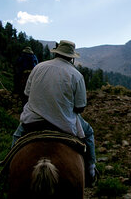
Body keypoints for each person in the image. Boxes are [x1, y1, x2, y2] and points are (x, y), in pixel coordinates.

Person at [12, 40, 97, 185]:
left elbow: (27, 94)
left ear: (56, 52)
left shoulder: (38, 67)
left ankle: (8, 169)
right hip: (63, 122)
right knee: (88, 132)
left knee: (16, 136)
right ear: (72, 57)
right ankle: (91, 170)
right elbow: (80, 107)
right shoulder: (76, 75)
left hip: (32, 121)